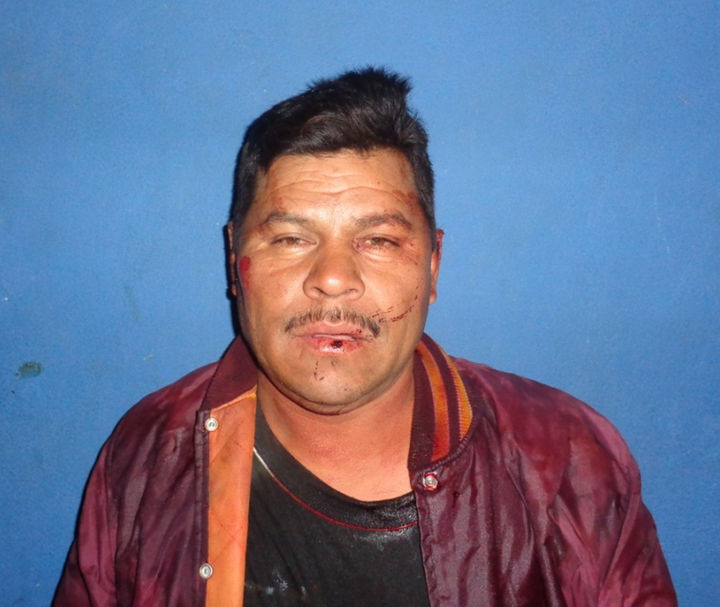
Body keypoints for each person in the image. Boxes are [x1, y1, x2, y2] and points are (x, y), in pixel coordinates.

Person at [54, 68, 676, 606]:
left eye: (377, 240)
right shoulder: (147, 458)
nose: (332, 278)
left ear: (432, 267)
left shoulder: (569, 463)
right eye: (290, 238)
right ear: (234, 262)